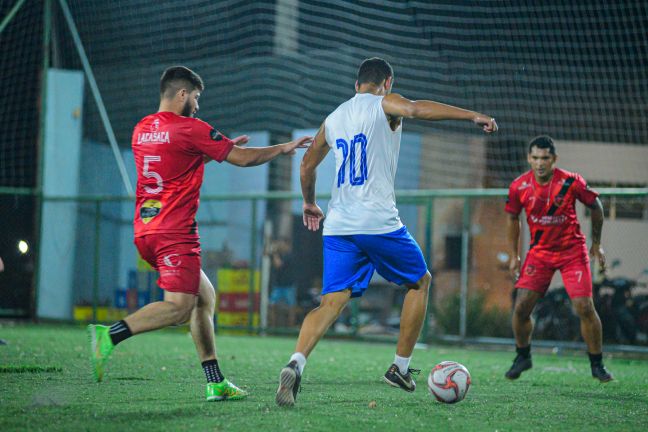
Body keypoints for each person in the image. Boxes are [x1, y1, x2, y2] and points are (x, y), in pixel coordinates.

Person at [275, 57, 498, 406]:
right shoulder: (384, 104)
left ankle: (296, 362)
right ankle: (400, 367)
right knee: (420, 281)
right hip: (378, 222)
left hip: (339, 226)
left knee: (331, 302)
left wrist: (309, 202)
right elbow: (416, 109)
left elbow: (306, 165)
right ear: (387, 82)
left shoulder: (334, 118)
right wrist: (471, 116)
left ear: (355, 85)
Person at [87, 66, 311, 401]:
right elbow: (244, 159)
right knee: (179, 308)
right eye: (195, 97)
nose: (197, 104)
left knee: (204, 298)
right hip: (176, 233)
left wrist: (211, 152)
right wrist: (281, 149)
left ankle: (215, 381)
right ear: (182, 94)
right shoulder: (191, 128)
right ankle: (110, 335)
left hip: (147, 231)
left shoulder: (142, 130)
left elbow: (176, 162)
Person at [504, 135, 612, 382]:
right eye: (535, 158)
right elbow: (512, 218)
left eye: (545, 158)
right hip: (539, 254)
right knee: (521, 308)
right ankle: (523, 356)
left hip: (572, 253)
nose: (540, 163)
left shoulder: (571, 182)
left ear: (554, 159)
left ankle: (598, 365)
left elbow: (596, 206)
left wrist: (596, 244)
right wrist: (514, 255)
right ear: (528, 158)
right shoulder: (518, 186)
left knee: (584, 306)